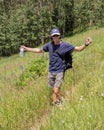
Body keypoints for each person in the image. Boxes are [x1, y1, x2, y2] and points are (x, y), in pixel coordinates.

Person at [20, 28, 92, 106]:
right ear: (52, 37)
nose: (55, 37)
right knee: (54, 89)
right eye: (53, 36)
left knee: (55, 89)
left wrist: (86, 44)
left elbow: (78, 49)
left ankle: (55, 104)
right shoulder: (49, 45)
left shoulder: (65, 45)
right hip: (51, 70)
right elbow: (39, 50)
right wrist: (26, 48)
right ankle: (61, 99)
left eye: (56, 35)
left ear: (59, 36)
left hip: (60, 71)